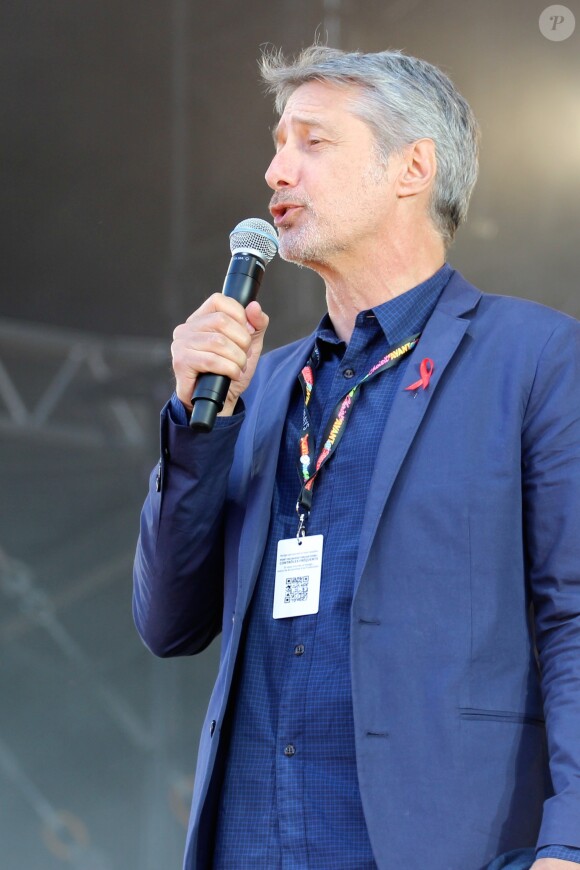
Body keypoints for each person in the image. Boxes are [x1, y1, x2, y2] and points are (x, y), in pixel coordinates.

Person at [133, 46, 580, 870]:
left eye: (312, 143)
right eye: (277, 145)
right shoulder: (262, 388)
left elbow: (575, 618)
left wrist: (571, 841)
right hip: (253, 842)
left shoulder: (537, 359)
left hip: (441, 846)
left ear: (412, 167)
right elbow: (167, 623)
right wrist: (198, 426)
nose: (276, 171)